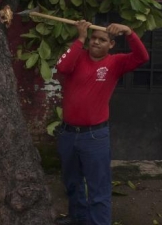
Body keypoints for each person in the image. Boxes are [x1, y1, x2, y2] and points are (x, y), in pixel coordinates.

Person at [54, 20, 149, 225]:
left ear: (111, 44)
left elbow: (142, 57)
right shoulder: (77, 56)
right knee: (72, 183)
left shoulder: (115, 63)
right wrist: (79, 38)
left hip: (94, 136)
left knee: (99, 188)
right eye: (93, 38)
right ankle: (78, 219)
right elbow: (62, 67)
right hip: (68, 134)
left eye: (102, 39)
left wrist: (129, 31)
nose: (96, 42)